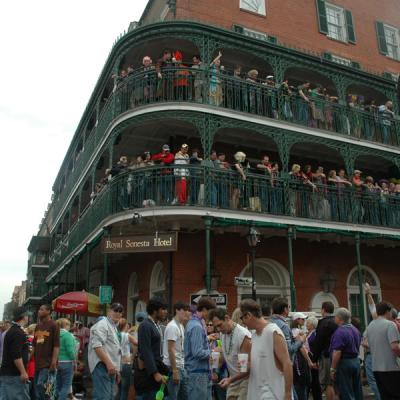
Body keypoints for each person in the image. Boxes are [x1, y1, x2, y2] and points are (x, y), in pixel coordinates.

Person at [240, 299, 293, 400]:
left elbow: (287, 363)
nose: (242, 322)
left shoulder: (273, 332)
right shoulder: (254, 336)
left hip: (273, 393)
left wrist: (288, 393)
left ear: (248, 315)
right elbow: (258, 365)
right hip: (257, 393)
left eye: (242, 318)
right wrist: (247, 365)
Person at [209, 307, 251, 400]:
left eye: (220, 325)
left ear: (227, 318)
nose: (219, 329)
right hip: (233, 380)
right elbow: (226, 356)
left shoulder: (243, 335)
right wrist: (214, 367)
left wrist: (229, 380)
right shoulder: (223, 334)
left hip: (246, 381)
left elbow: (246, 368)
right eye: (216, 327)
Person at [134, 298, 169, 400]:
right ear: (154, 310)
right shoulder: (145, 326)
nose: (165, 312)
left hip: (155, 373)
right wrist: (155, 373)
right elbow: (146, 351)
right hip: (147, 377)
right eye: (163, 309)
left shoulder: (155, 325)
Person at [88, 303, 124, 400]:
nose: (118, 313)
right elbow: (97, 346)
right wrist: (109, 364)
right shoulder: (102, 324)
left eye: (120, 311)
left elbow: (114, 349)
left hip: (110, 367)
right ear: (109, 311)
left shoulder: (113, 326)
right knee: (102, 397)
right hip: (102, 366)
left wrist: (116, 369)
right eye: (115, 310)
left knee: (109, 397)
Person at [366, 301, 400, 399]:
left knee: (384, 396)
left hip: (376, 367)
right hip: (391, 367)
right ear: (387, 311)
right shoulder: (390, 325)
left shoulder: (371, 326)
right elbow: (394, 347)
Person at [184, 296, 216, 400]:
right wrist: (212, 352)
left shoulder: (195, 323)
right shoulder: (196, 326)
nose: (212, 315)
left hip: (199, 373)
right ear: (205, 310)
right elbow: (197, 352)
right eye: (211, 312)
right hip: (197, 374)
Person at [329, 308, 362, 400]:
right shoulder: (355, 330)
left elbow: (337, 352)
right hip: (355, 361)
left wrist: (332, 369)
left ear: (339, 318)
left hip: (344, 363)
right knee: (357, 391)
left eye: (335, 316)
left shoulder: (339, 332)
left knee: (346, 392)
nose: (334, 318)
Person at [0, 307, 30, 400]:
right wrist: (23, 372)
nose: (28, 317)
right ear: (24, 317)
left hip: (8, 373)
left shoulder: (11, 331)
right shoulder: (17, 332)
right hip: (14, 374)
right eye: (27, 315)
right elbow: (16, 355)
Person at [163, 302, 190, 400]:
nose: (187, 313)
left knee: (184, 396)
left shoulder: (181, 326)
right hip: (173, 367)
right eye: (184, 310)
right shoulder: (172, 326)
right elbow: (171, 349)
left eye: (188, 310)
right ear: (177, 310)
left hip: (181, 367)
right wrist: (174, 371)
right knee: (172, 397)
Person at [33, 304, 60, 400]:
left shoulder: (54, 325)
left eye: (41, 309)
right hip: (38, 364)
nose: (39, 311)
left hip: (48, 364)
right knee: (37, 389)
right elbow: (35, 344)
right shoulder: (38, 326)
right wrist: (30, 359)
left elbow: (56, 345)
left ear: (48, 311)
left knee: (42, 385)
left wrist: (53, 361)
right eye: (39, 309)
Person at [312, 301, 337, 400]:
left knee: (327, 383)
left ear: (323, 310)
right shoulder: (337, 321)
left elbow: (318, 343)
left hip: (326, 356)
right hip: (337, 355)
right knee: (335, 383)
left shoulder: (323, 323)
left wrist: (314, 359)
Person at [56, 318, 77, 400]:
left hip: (57, 362)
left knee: (58, 385)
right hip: (67, 362)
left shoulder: (55, 334)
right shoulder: (68, 335)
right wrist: (75, 362)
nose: (69, 327)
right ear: (65, 325)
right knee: (66, 385)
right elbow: (70, 351)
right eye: (69, 325)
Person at [117, 318, 138, 400]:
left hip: (117, 363)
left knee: (118, 388)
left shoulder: (115, 334)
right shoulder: (126, 335)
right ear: (125, 326)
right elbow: (137, 343)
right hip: (126, 363)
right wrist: (132, 357)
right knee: (125, 389)